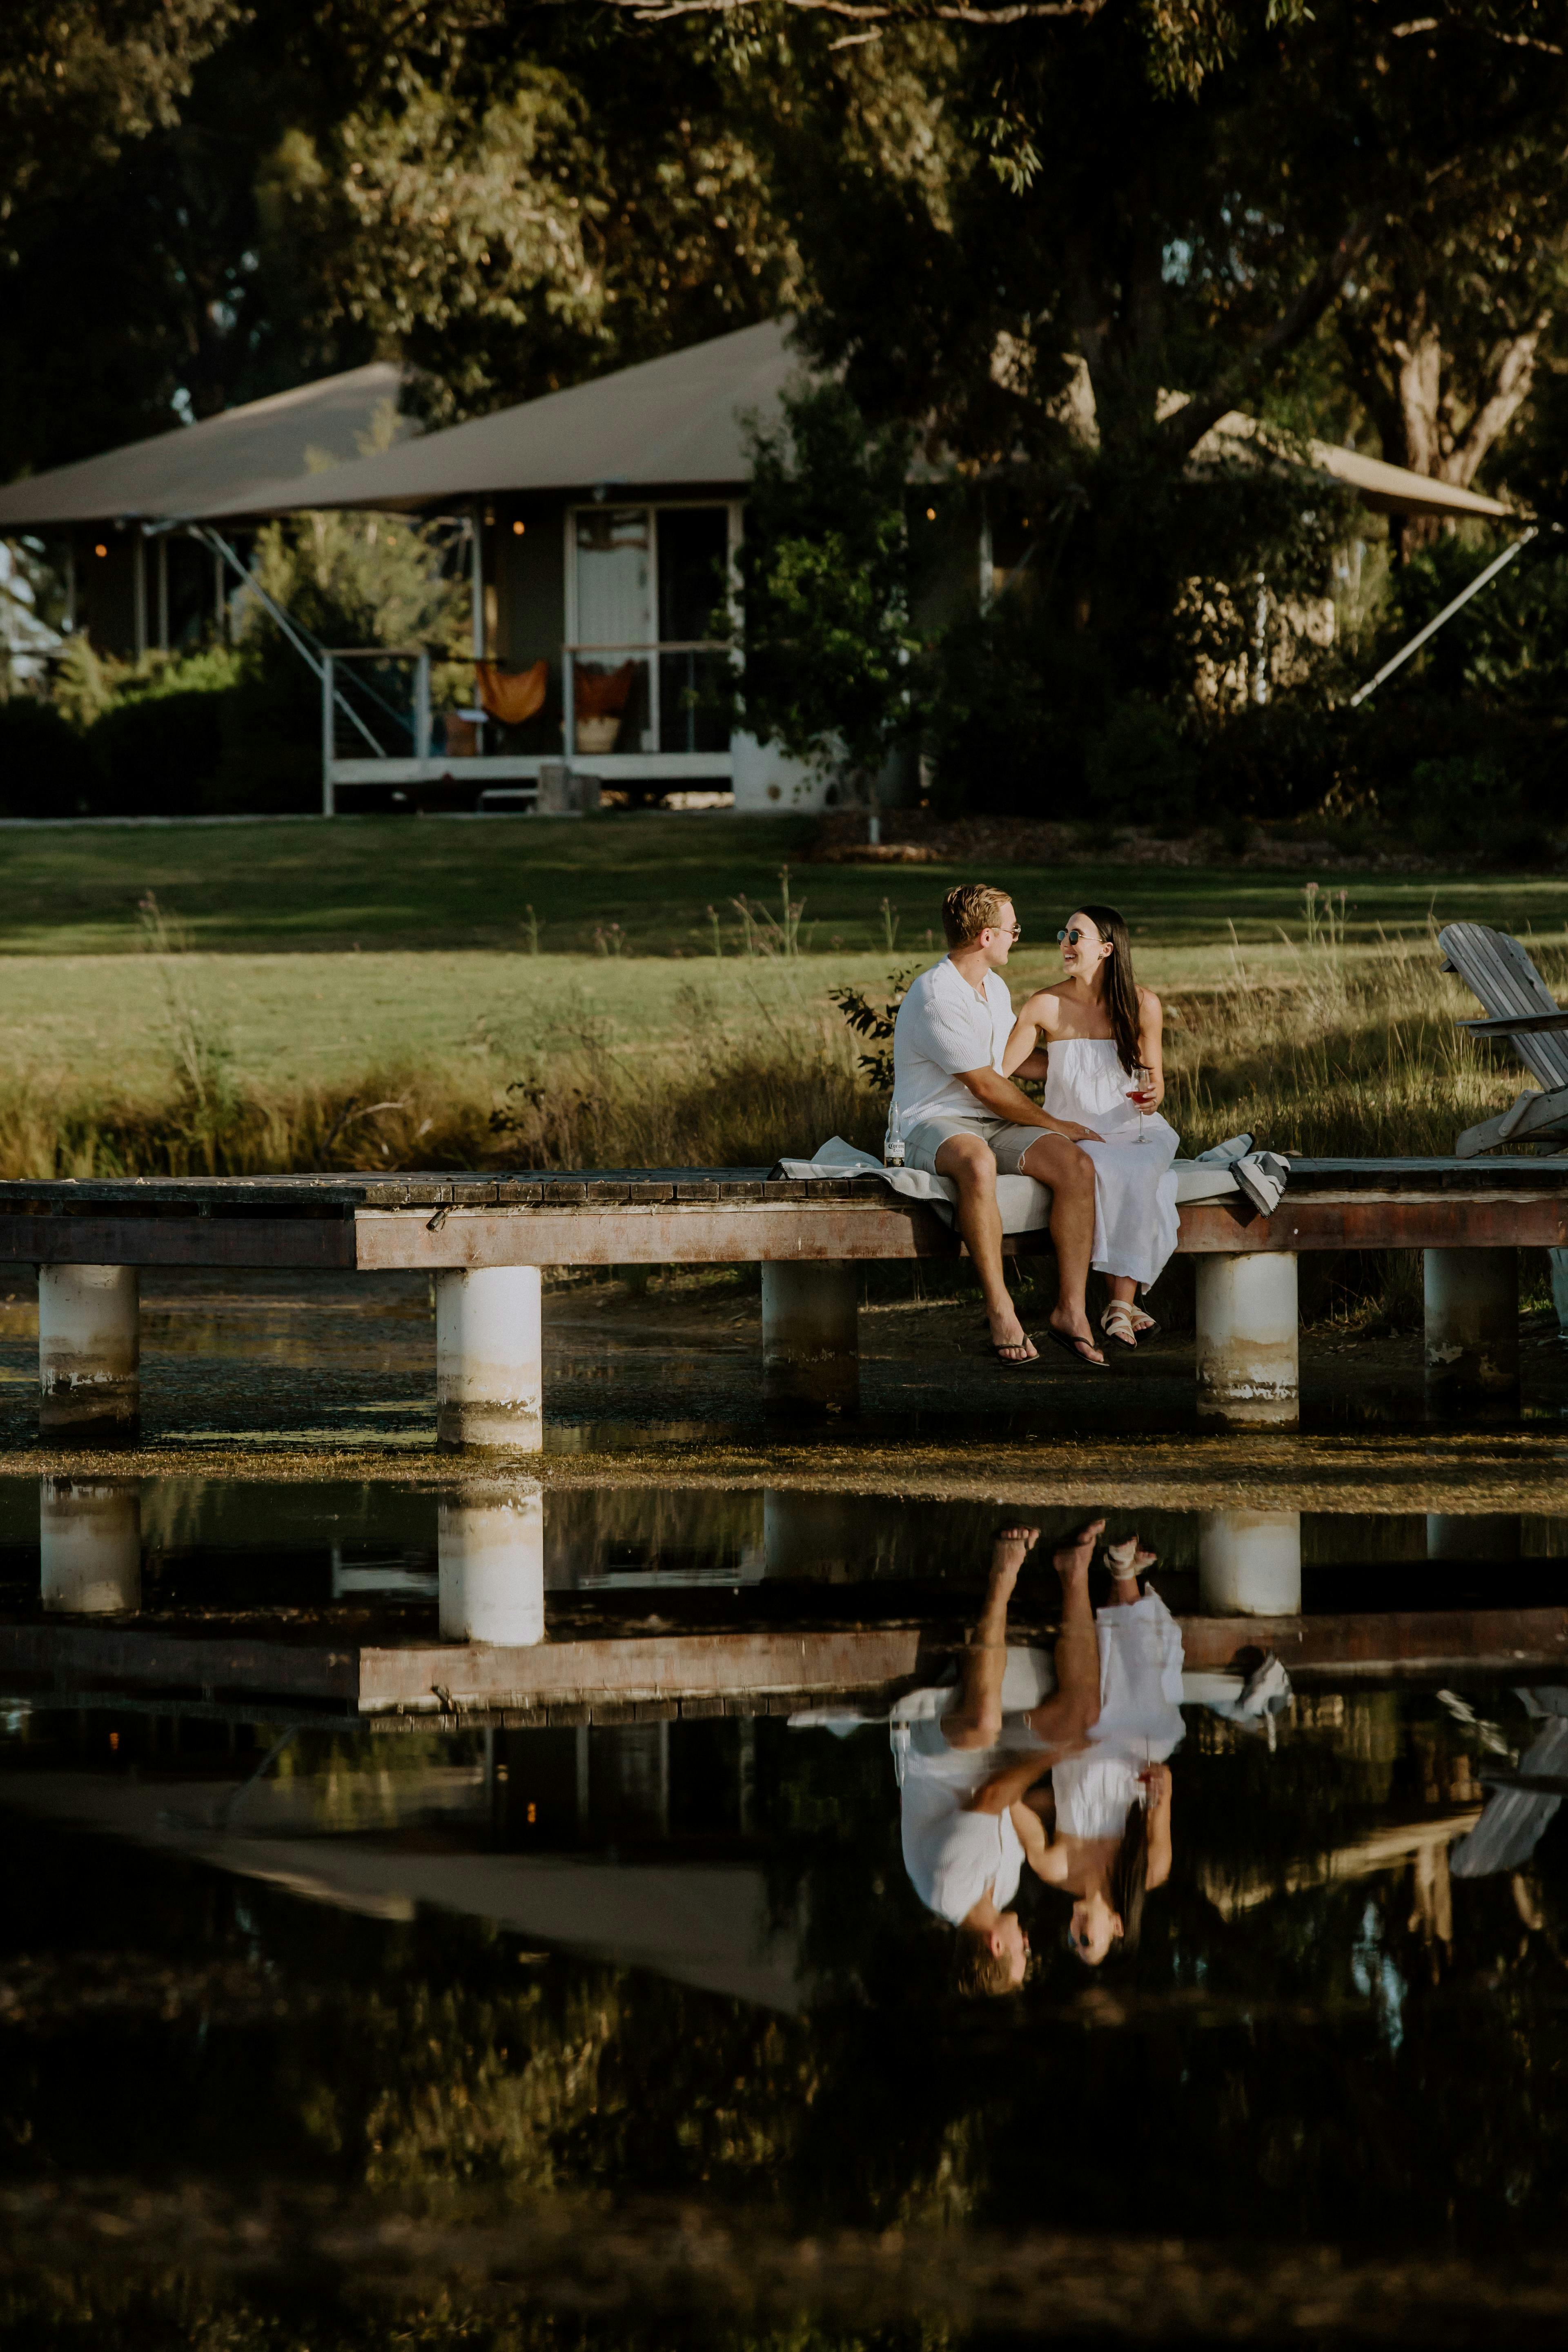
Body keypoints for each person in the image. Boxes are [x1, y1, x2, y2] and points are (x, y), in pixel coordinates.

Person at [891, 883, 1106, 1370]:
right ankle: (1000, 1308)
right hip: (931, 1121)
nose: (1017, 937)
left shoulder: (995, 987)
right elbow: (987, 1085)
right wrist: (1054, 1121)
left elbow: (1015, 1060)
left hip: (989, 1120)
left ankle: (1070, 1311)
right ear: (987, 937)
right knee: (977, 1161)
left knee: (1075, 1164)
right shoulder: (935, 994)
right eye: (1013, 929)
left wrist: (1093, 1067)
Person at [899, 1521, 1105, 1996]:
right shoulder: (1004, 1888)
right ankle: (1074, 1570)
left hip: (936, 1751)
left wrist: (1057, 1753)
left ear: (995, 1946)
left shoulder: (947, 1887)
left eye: (1021, 1951)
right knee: (1083, 1718)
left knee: (983, 1722)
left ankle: (1003, 1573)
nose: (1028, 1942)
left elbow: (995, 1794)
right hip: (995, 1762)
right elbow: (1017, 1804)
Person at [1002, 904, 1179, 1352]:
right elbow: (1008, 1066)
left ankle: (1119, 1304)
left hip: (1136, 1126)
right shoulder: (1045, 1004)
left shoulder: (1143, 1005)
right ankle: (1124, 1306)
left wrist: (1154, 1096)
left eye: (1076, 936)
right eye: (1064, 933)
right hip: (1079, 1130)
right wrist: (1060, 1071)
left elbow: (1153, 1079)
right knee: (1102, 1169)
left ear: (1106, 948)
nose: (1065, 941)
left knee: (1141, 1169)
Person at [1020, 1536, 1183, 1964]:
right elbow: (1164, 1788)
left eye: (1071, 1941)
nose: (1075, 1936)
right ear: (1117, 1926)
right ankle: (1121, 1575)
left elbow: (1009, 1802)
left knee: (1093, 1715)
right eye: (1087, 1943)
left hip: (1079, 1741)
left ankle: (1109, 1573)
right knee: (1146, 1710)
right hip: (1132, 1746)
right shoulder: (1151, 1870)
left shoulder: (1054, 1868)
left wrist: (1051, 1782)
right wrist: (1160, 1786)